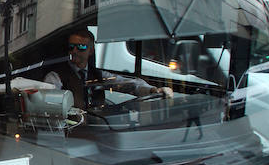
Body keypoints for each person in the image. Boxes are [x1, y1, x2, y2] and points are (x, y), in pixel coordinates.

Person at [44, 28, 173, 109]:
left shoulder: (99, 75)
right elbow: (49, 103)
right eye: (71, 47)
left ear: (91, 51)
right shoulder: (55, 76)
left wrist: (153, 90)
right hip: (72, 132)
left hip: (100, 128)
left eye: (81, 47)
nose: (74, 51)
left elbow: (127, 84)